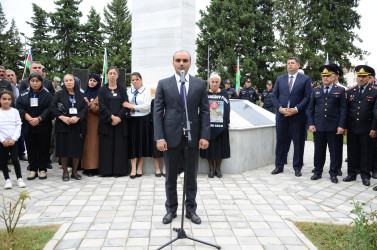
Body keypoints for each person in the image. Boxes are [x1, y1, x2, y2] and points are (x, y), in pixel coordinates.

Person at [154, 50, 210, 225]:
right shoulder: (163, 84)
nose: (181, 63)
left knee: (191, 177)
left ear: (190, 63)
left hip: (192, 137)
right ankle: (171, 210)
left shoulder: (200, 84)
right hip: (170, 138)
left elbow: (205, 111)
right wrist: (159, 137)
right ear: (173, 63)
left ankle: (191, 210)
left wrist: (205, 136)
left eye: (185, 60)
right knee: (170, 177)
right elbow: (157, 113)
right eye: (178, 60)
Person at [272, 57, 312, 177]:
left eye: (292, 63)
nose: (290, 65)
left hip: (297, 117)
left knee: (298, 143)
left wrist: (296, 109)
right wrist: (280, 108)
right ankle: (279, 166)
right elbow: (274, 96)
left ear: (298, 65)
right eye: (288, 63)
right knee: (281, 142)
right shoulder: (280, 79)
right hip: (282, 116)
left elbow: (307, 97)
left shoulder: (305, 79)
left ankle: (297, 167)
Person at [308, 65, 347, 183]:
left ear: (334, 76)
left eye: (328, 75)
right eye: (323, 76)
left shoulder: (340, 90)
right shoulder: (316, 90)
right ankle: (317, 171)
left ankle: (333, 173)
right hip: (319, 126)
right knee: (318, 151)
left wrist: (341, 126)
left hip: (334, 127)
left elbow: (343, 110)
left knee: (334, 152)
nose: (325, 78)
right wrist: (311, 124)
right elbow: (310, 110)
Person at [50, 74, 88, 181]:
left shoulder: (81, 95)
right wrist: (62, 117)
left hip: (76, 125)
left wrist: (78, 117)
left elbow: (85, 108)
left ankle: (75, 172)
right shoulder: (59, 94)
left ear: (74, 81)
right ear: (64, 82)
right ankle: (65, 172)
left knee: (76, 150)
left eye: (71, 80)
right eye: (66, 80)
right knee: (63, 149)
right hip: (63, 125)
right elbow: (52, 107)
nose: (69, 82)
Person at [16, 73, 53, 180]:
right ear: (29, 82)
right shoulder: (23, 94)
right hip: (28, 125)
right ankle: (33, 169)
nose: (35, 83)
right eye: (32, 81)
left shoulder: (47, 94)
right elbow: (19, 107)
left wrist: (39, 119)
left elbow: (50, 108)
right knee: (31, 148)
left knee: (43, 147)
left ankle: (42, 169)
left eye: (37, 81)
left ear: (41, 82)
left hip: (43, 125)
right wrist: (29, 118)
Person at [344, 65, 377, 186]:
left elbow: (375, 113)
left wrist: (374, 128)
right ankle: (352, 174)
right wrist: (345, 126)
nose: (361, 79)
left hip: (367, 128)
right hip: (352, 127)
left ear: (369, 78)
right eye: (359, 76)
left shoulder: (374, 92)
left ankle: (365, 175)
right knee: (352, 152)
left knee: (366, 153)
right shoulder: (350, 92)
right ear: (356, 78)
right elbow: (346, 111)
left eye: (364, 77)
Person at [98, 67, 129, 177]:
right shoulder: (102, 89)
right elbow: (101, 105)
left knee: (119, 147)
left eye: (114, 73)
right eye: (110, 73)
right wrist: (111, 117)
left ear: (117, 75)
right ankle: (106, 171)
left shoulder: (122, 89)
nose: (112, 75)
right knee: (107, 147)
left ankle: (118, 171)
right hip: (107, 122)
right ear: (107, 75)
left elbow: (125, 104)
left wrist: (118, 117)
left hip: (120, 123)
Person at [200, 73, 230, 178]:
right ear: (209, 82)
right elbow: (202, 109)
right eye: (212, 82)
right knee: (209, 149)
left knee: (220, 149)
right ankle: (211, 170)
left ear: (219, 83)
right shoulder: (205, 93)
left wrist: (226, 123)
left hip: (221, 127)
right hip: (208, 127)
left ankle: (218, 169)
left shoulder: (224, 93)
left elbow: (227, 109)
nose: (214, 83)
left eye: (216, 82)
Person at [123, 72, 152, 178]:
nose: (134, 81)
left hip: (144, 119)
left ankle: (140, 166)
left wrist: (132, 107)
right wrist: (130, 107)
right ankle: (133, 168)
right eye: (133, 80)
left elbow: (146, 106)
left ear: (141, 80)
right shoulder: (128, 91)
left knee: (143, 142)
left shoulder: (146, 90)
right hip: (132, 120)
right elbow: (124, 103)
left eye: (137, 79)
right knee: (133, 143)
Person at [0, 91, 26, 189]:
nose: (6, 101)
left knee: (15, 159)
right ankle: (7, 180)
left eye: (9, 99)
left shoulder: (15, 111)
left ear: (12, 100)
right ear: (0, 100)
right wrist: (2, 140)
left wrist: (14, 139)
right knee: (3, 160)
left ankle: (19, 178)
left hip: (13, 140)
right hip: (2, 141)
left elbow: (18, 125)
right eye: (4, 99)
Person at [329, 63, 348, 176]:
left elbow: (345, 110)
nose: (328, 76)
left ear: (336, 75)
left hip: (338, 123)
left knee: (337, 148)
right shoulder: (323, 88)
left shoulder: (343, 89)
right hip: (326, 123)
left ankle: (337, 167)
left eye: (331, 73)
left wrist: (344, 125)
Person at [81, 74, 101, 177]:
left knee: (93, 145)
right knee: (85, 145)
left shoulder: (100, 94)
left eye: (94, 81)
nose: (91, 82)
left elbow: (100, 110)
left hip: (94, 122)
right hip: (84, 122)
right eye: (90, 80)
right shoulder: (85, 93)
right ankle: (85, 166)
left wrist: (89, 104)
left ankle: (93, 167)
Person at [150, 99, 166, 177]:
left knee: (167, 147)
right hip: (157, 126)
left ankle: (165, 168)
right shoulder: (154, 101)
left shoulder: (171, 98)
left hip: (169, 125)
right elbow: (153, 114)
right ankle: (157, 168)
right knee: (156, 147)